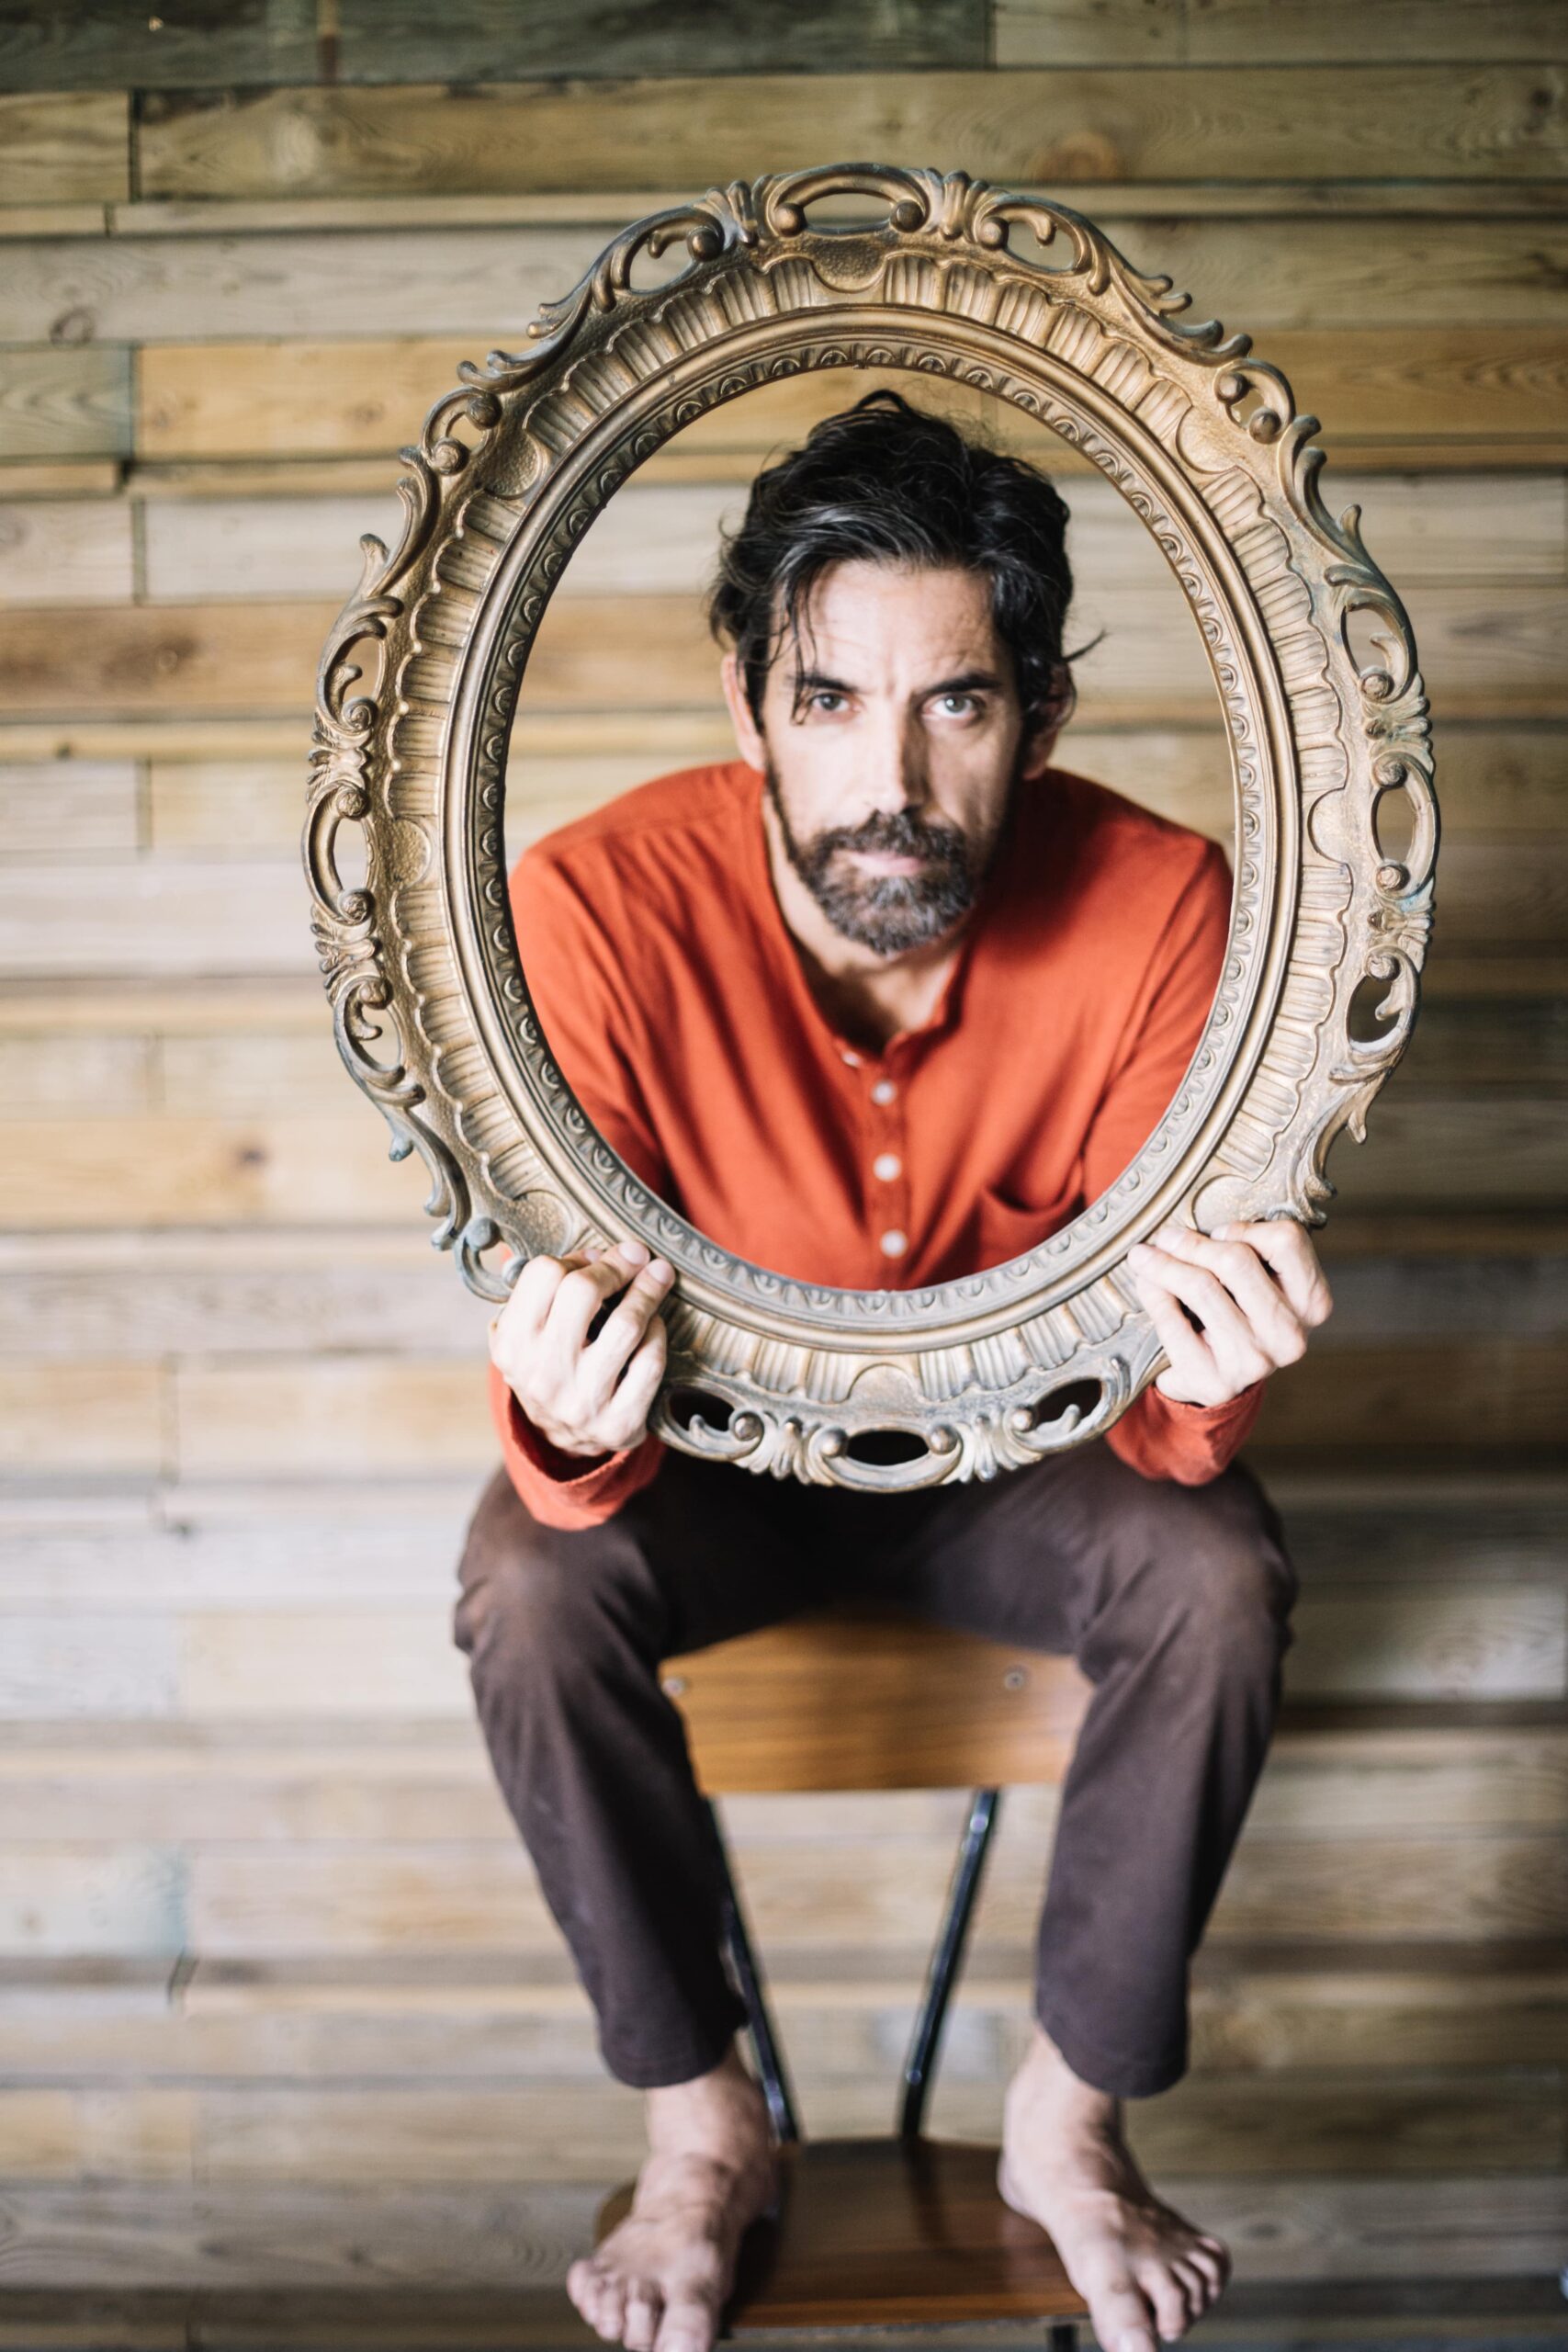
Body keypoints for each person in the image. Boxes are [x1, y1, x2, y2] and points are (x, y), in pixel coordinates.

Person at [454, 392, 1331, 2352]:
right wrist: (568, 1421)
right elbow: (575, 1395)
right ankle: (700, 2130)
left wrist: (1215, 1376)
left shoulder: (1167, 909)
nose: (891, 780)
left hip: (1032, 1478)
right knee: (526, 1570)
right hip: (718, 1473)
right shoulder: (585, 911)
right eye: (831, 701)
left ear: (1041, 714)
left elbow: (1163, 1409)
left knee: (1215, 1569)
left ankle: (1066, 2125)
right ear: (749, 709)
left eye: (957, 704)